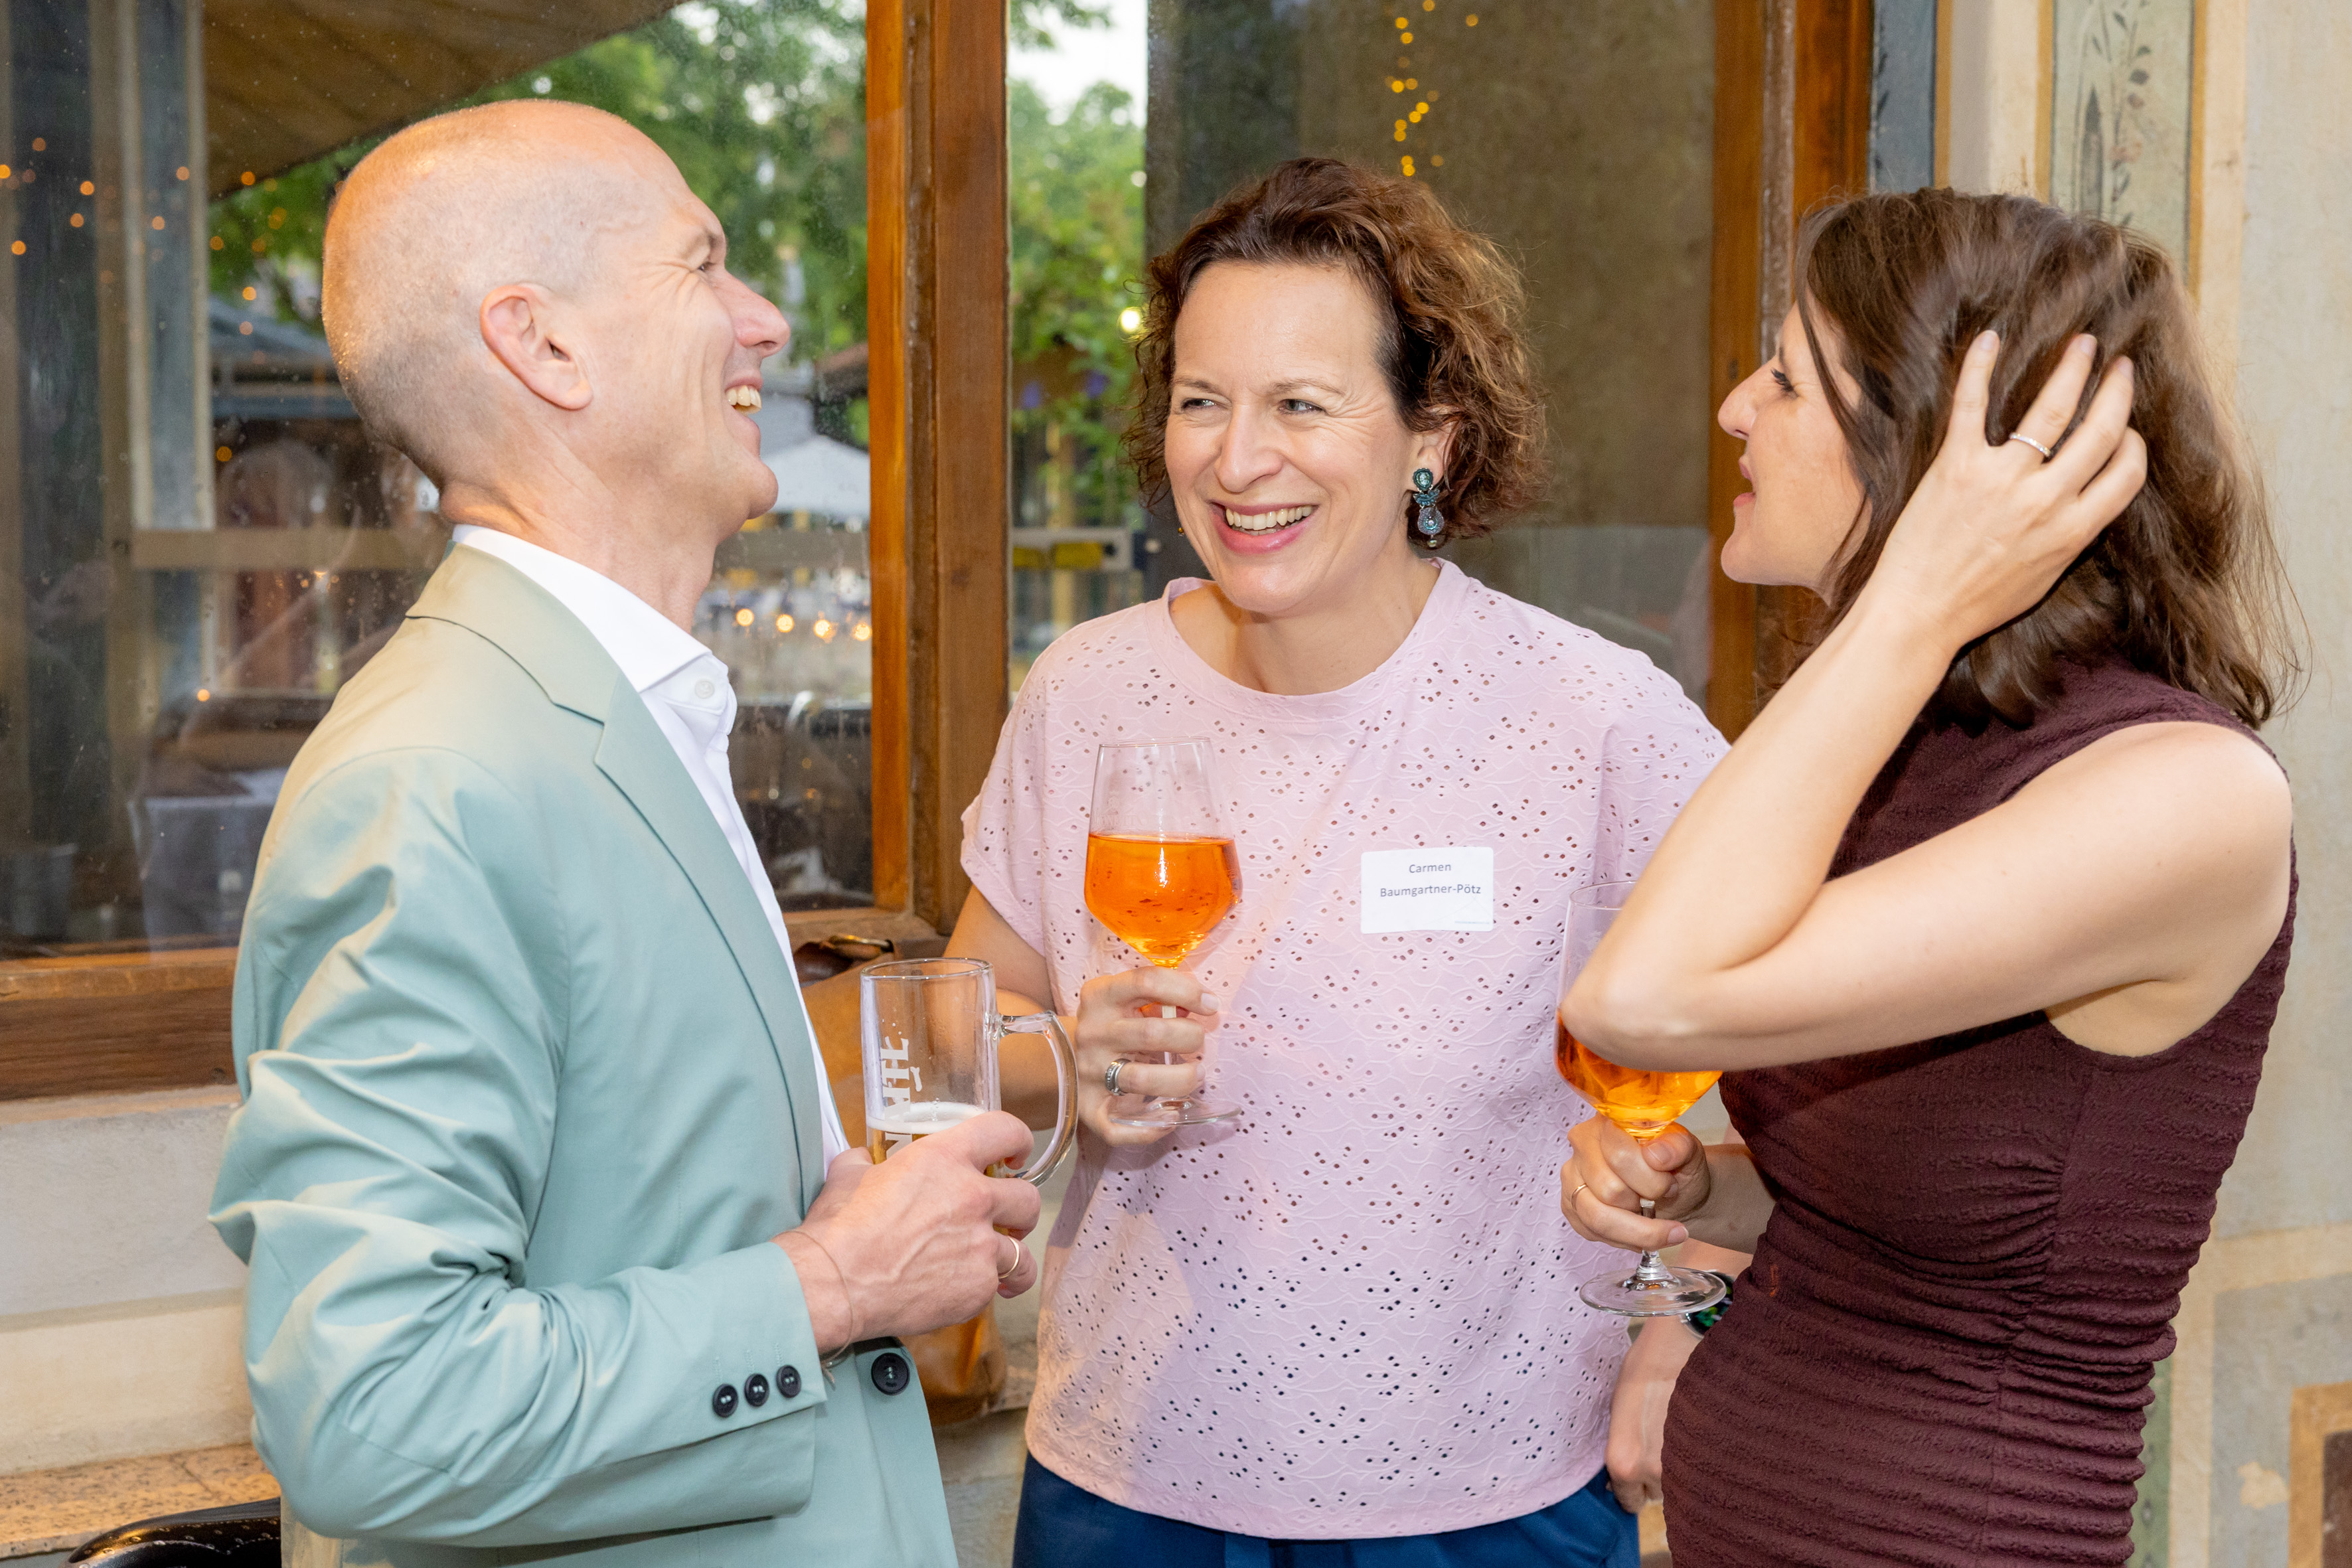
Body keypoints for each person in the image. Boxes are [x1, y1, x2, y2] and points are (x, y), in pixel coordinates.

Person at [207, 100, 1040, 1568]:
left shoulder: (617, 717)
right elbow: (371, 1410)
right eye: (702, 264)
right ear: (543, 345)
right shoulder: (435, 778)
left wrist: (840, 1222)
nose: (765, 319)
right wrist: (832, 1283)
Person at [949, 156, 1725, 1567]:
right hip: (1127, 1483)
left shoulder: (1592, 714)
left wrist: (1685, 1318)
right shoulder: (1087, 690)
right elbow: (963, 1035)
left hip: (1490, 1499)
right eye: (1201, 401)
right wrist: (1062, 1054)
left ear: (1432, 438)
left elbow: (1779, 1074)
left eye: (1301, 404)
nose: (1237, 459)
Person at [1561, 189, 2298, 1566]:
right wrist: (1712, 1196)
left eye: (1789, 378)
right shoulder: (1919, 742)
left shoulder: (2186, 794)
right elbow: (1926, 1228)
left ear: (1933, 450)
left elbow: (1637, 1000)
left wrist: (1915, 594)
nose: (1734, 407)